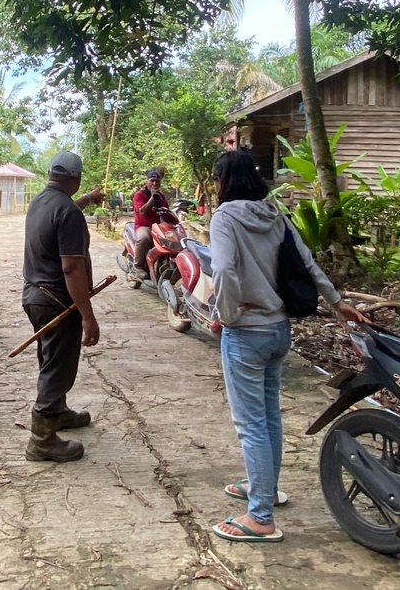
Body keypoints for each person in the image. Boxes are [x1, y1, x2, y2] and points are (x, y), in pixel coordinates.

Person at [206, 149, 369, 542]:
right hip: (279, 330)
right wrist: (337, 302)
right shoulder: (275, 214)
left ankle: (260, 516)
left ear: (225, 182)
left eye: (216, 178)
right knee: (269, 417)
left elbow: (224, 269)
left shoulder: (225, 217)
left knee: (251, 425)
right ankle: (265, 489)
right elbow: (308, 262)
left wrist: (225, 314)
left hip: (246, 332)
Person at [21, 151, 106, 462]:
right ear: (77, 178)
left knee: (51, 360)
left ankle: (57, 413)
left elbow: (65, 211)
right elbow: (72, 268)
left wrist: (87, 199)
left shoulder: (41, 202)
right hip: (56, 302)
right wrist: (88, 317)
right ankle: (41, 440)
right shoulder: (68, 213)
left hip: (35, 297)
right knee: (58, 368)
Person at [131, 168, 178, 279]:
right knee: (144, 238)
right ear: (147, 182)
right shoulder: (139, 195)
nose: (155, 183)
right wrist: (153, 197)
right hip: (143, 226)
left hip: (158, 226)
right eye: (152, 180)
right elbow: (142, 211)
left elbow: (166, 209)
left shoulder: (161, 196)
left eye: (157, 181)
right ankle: (137, 266)